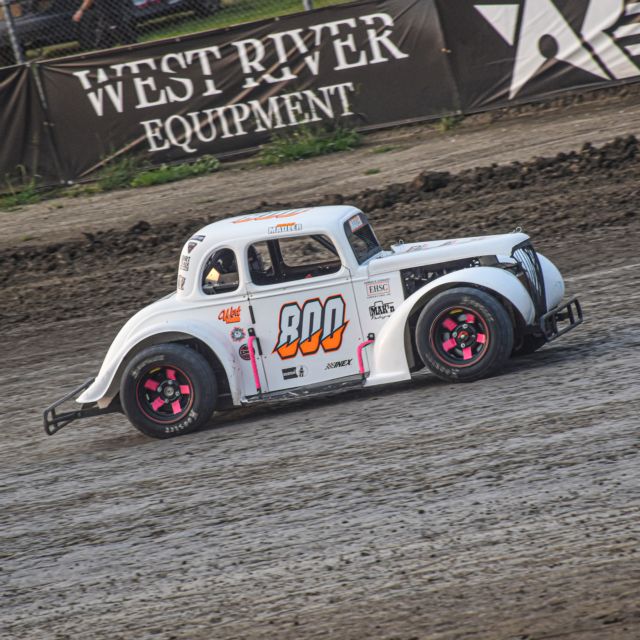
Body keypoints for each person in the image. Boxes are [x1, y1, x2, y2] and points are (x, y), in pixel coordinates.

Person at [72, 0, 136, 46]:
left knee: (124, 37)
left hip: (110, 13)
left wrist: (80, 11)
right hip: (104, 15)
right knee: (102, 43)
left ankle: (135, 50)